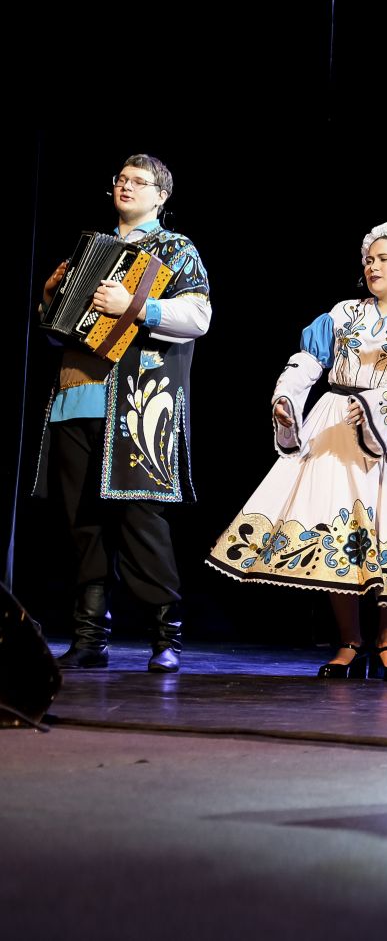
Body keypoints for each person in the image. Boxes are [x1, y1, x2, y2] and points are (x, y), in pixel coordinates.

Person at [207, 223, 387, 681]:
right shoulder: (343, 313)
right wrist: (286, 398)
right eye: (368, 260)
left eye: (384, 259)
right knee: (337, 532)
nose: (373, 266)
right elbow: (308, 361)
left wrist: (383, 406)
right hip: (335, 425)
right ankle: (349, 641)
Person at [34, 154, 211, 673]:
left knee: (140, 520)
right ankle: (90, 638)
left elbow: (198, 316)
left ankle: (165, 637)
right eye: (122, 179)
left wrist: (134, 305)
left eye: (140, 181)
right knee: (82, 523)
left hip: (136, 402)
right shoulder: (91, 248)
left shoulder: (175, 248)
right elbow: (63, 329)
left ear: (161, 196)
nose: (127, 186)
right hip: (76, 397)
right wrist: (50, 298)